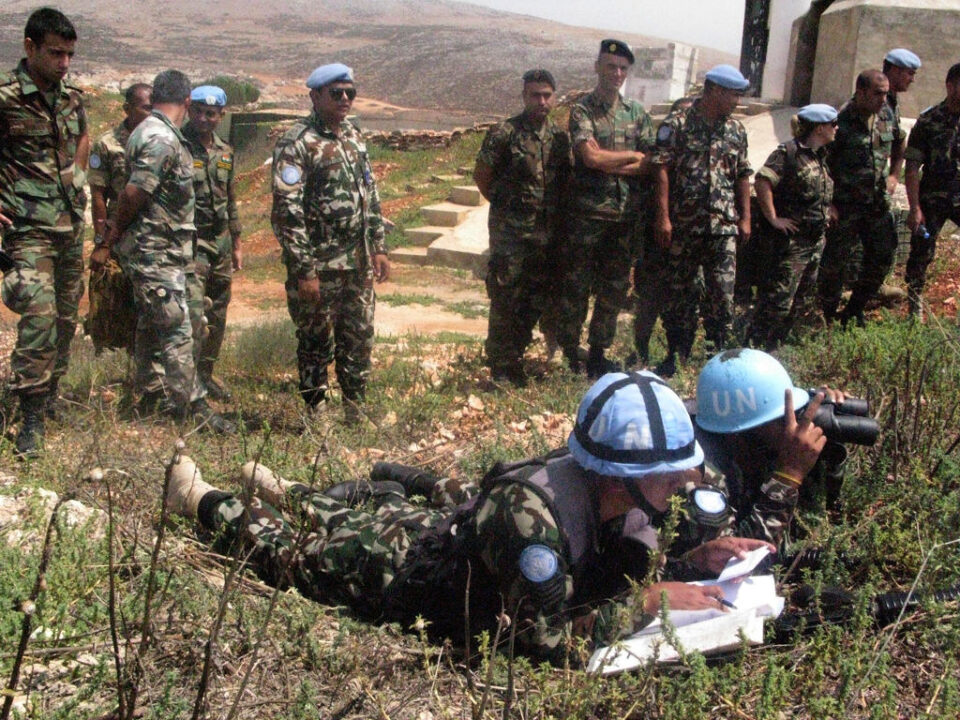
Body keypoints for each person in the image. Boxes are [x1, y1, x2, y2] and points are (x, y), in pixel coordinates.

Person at [166, 371, 773, 664]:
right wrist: (647, 604)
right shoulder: (531, 520)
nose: (685, 482)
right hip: (406, 582)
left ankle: (292, 489)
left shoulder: (616, 493)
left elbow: (612, 559)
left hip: (439, 538)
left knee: (373, 508)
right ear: (618, 474)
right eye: (669, 473)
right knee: (294, 553)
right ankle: (200, 498)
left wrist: (691, 564)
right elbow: (540, 642)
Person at [96, 69, 233, 433]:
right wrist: (111, 238)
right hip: (155, 248)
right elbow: (133, 193)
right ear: (187, 102)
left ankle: (151, 392)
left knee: (150, 324)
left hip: (159, 247)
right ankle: (192, 407)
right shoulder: (161, 138)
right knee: (176, 326)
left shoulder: (152, 131)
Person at [271, 63, 389, 419]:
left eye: (349, 93)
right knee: (315, 340)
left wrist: (379, 247)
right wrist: (304, 270)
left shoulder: (353, 135)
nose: (344, 99)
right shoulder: (297, 142)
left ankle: (355, 407)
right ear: (315, 96)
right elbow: (287, 212)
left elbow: (369, 192)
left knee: (358, 337)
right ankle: (316, 410)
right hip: (319, 266)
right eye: (335, 93)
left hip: (357, 263)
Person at [0, 8, 88, 457]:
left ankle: (50, 397)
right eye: (56, 53)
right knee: (39, 318)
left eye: (70, 55)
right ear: (29, 47)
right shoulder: (6, 98)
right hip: (27, 229)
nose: (64, 63)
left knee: (66, 320)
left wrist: (79, 182)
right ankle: (29, 417)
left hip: (70, 225)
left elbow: (81, 142)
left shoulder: (71, 97)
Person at [556, 39, 654, 377]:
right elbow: (589, 156)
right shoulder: (583, 110)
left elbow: (650, 163)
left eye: (623, 68)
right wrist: (629, 157)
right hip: (587, 215)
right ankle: (570, 353)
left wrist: (607, 164)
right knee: (576, 287)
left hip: (625, 217)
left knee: (613, 289)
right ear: (598, 66)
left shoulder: (637, 113)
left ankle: (598, 353)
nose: (617, 73)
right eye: (611, 66)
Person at [652, 65, 752, 377]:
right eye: (733, 93)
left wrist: (746, 217)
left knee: (722, 296)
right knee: (680, 294)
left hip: (723, 227)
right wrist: (663, 217)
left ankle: (717, 359)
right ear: (714, 91)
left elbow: (743, 175)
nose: (737, 100)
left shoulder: (736, 130)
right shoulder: (678, 124)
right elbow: (661, 169)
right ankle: (676, 354)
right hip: (685, 224)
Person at [474, 69, 570, 386]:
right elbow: (482, 177)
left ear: (554, 98)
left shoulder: (559, 138)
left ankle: (520, 359)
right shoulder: (505, 133)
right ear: (524, 96)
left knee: (535, 298)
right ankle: (502, 366)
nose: (541, 101)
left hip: (547, 235)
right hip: (511, 236)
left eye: (546, 95)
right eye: (534, 95)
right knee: (506, 298)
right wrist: (508, 209)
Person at [693, 348, 844, 548]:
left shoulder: (760, 450)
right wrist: (788, 476)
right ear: (742, 431)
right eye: (782, 418)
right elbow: (735, 559)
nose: (793, 424)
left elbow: (818, 515)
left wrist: (828, 455)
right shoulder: (701, 473)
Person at [747, 104, 838, 349]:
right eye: (833, 124)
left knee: (801, 300)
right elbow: (763, 181)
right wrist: (773, 218)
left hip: (815, 241)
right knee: (778, 301)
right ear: (819, 128)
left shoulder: (820, 156)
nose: (836, 129)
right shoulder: (788, 153)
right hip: (793, 244)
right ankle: (755, 347)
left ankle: (778, 347)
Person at [818, 69, 897, 327]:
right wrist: (828, 204)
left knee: (883, 255)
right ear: (860, 92)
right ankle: (828, 315)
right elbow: (821, 163)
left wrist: (895, 174)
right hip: (846, 207)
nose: (883, 99)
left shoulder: (886, 114)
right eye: (877, 93)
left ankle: (854, 310)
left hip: (877, 205)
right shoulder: (839, 120)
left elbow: (899, 141)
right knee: (834, 265)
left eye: (886, 94)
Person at [182, 85, 242, 401]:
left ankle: (206, 373)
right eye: (199, 112)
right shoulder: (178, 147)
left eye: (212, 114)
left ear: (220, 116)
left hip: (218, 242)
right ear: (190, 111)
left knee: (218, 311)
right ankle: (184, 380)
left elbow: (230, 199)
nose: (205, 119)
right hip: (189, 242)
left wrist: (236, 243)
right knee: (191, 313)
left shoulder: (226, 152)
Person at [629, 95, 695, 369]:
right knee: (650, 299)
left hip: (689, 239)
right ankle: (640, 353)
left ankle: (678, 355)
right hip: (656, 242)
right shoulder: (657, 163)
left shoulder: (699, 161)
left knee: (686, 299)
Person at [903, 62, 960, 318]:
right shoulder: (928, 121)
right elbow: (913, 167)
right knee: (922, 252)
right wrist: (914, 208)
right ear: (950, 86)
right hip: (932, 200)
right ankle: (914, 306)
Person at [89, 83, 152, 246]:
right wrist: (101, 241)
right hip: (117, 234)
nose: (152, 116)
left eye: (155, 109)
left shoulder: (161, 144)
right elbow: (98, 196)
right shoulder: (106, 144)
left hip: (152, 235)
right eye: (146, 109)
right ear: (127, 108)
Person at [880, 48, 921, 198]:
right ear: (895, 70)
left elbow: (899, 141)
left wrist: (894, 176)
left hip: (876, 193)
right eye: (910, 73)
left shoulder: (892, 103)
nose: (912, 80)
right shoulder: (867, 102)